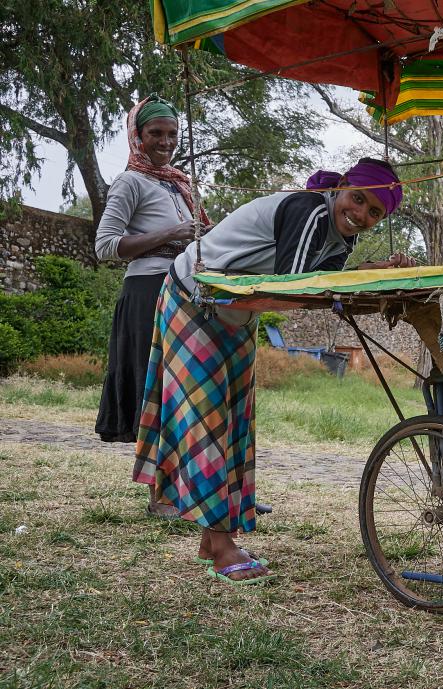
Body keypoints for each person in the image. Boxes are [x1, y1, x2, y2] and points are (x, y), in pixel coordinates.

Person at [132, 158, 413, 583]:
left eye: (375, 213)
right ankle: (223, 545)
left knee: (234, 420)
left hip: (236, 310)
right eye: (358, 199)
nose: (361, 216)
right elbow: (296, 289)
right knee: (208, 419)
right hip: (195, 299)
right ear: (340, 187)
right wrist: (366, 278)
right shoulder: (312, 210)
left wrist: (366, 277)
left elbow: (321, 291)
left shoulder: (340, 236)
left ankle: (213, 538)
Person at [94, 94, 209, 519]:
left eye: (172, 134)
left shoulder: (178, 182)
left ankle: (199, 490)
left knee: (189, 390)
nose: (165, 142)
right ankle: (160, 496)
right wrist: (174, 231)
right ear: (137, 137)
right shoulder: (130, 182)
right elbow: (106, 246)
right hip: (148, 291)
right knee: (158, 389)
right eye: (155, 133)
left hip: (185, 287)